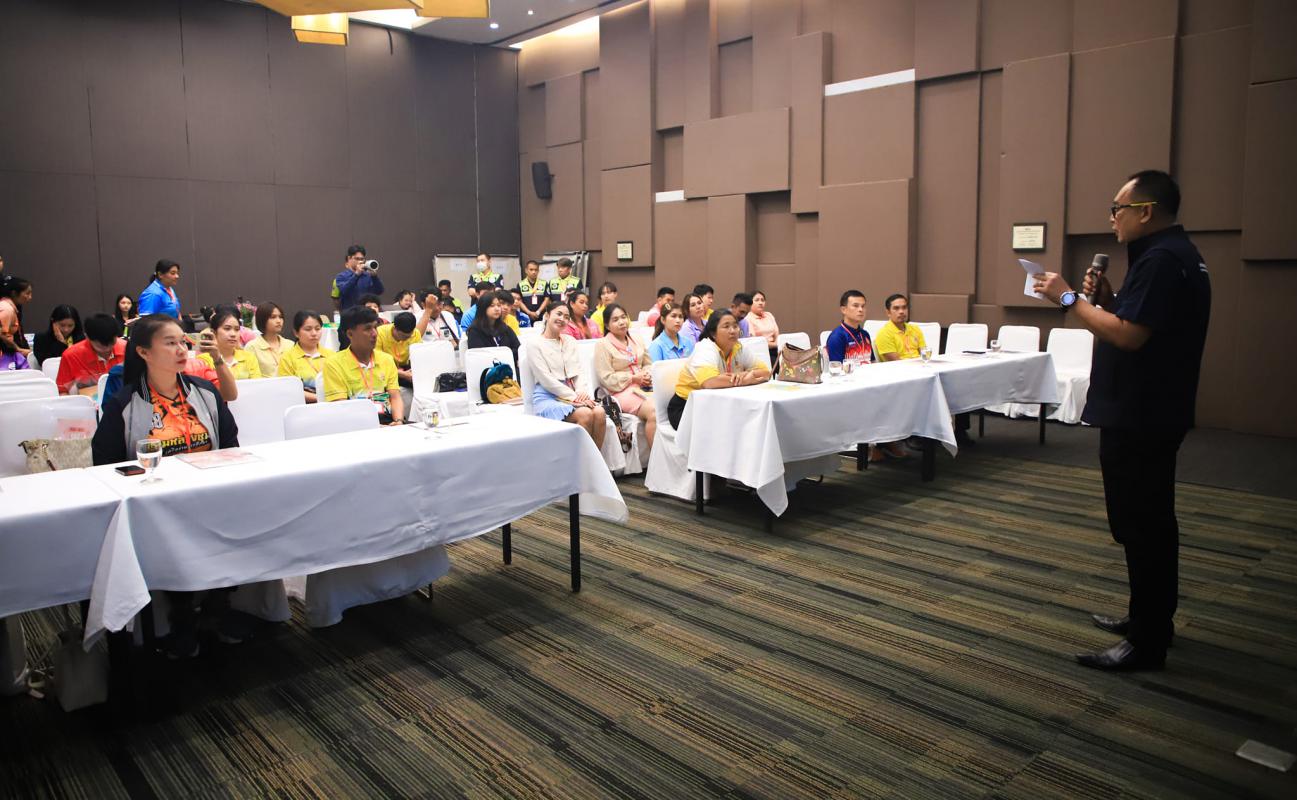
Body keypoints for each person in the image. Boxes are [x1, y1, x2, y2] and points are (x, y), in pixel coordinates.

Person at [1032, 170, 1210, 672]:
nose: (1112, 217)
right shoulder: (1173, 255)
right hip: (1150, 410)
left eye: (1118, 208)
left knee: (1143, 525)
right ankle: (1148, 619)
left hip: (1142, 414)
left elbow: (1130, 338)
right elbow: (1138, 324)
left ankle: (1147, 641)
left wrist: (1069, 299)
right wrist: (1108, 301)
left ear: (1146, 211)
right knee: (1148, 523)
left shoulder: (1161, 260)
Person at [92, 313, 245, 657]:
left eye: (182, 342)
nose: (181, 350)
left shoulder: (204, 393)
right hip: (155, 503)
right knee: (175, 533)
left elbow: (230, 444)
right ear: (143, 352)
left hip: (209, 493)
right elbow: (106, 463)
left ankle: (217, 606)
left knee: (244, 515)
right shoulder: (126, 403)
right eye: (170, 343)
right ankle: (183, 616)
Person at [667, 310, 770, 429]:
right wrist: (745, 380)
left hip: (718, 404)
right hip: (687, 407)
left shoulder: (739, 347)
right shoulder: (705, 348)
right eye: (726, 326)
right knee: (729, 427)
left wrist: (743, 374)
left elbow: (766, 373)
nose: (732, 331)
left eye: (735, 326)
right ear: (713, 333)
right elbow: (710, 382)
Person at [528, 303, 607, 446]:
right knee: (585, 414)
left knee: (600, 413)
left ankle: (594, 459)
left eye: (566, 317)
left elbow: (578, 371)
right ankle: (579, 459)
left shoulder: (570, 341)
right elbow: (545, 379)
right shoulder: (534, 343)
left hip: (572, 393)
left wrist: (581, 392)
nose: (562, 319)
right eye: (558, 314)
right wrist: (574, 397)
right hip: (548, 396)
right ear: (547, 315)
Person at [322, 305, 404, 424]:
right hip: (355, 425)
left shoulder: (386, 359)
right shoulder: (334, 364)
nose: (375, 333)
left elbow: (395, 397)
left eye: (375, 327)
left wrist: (399, 421)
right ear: (350, 334)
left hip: (388, 420)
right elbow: (341, 409)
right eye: (368, 329)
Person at [596, 304, 656, 450]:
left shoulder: (637, 338)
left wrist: (646, 374)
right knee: (654, 411)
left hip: (645, 385)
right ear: (607, 325)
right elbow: (606, 378)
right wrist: (633, 378)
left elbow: (648, 363)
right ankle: (657, 459)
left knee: (670, 404)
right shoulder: (602, 344)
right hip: (622, 391)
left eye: (624, 317)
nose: (622, 322)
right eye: (615, 319)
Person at [54, 313, 125, 395]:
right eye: (100, 346)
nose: (108, 349)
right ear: (87, 337)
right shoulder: (71, 356)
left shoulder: (126, 348)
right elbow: (62, 391)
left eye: (112, 343)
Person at [278, 310, 334, 403]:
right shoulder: (287, 358)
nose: (314, 333)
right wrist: (319, 398)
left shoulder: (331, 355)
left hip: (331, 404)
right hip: (303, 406)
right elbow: (288, 389)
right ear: (296, 333)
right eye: (308, 329)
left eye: (318, 329)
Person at [198, 305, 262, 380]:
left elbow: (257, 384)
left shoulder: (249, 358)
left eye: (237, 329)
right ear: (214, 332)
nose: (233, 334)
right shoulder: (203, 361)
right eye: (227, 329)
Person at [466, 290, 521, 365]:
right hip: (487, 369)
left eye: (498, 305)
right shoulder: (475, 331)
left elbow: (518, 348)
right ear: (483, 308)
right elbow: (479, 357)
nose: (497, 309)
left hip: (508, 367)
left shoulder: (505, 328)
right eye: (492, 306)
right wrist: (505, 354)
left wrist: (505, 355)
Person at [825, 290, 874, 367]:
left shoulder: (865, 334)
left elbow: (873, 362)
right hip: (849, 375)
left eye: (863, 306)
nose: (861, 309)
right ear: (843, 310)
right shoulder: (837, 337)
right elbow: (837, 369)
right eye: (855, 306)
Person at [873, 293, 926, 361]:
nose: (901, 311)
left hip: (920, 365)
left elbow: (924, 354)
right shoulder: (884, 333)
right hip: (900, 367)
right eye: (896, 308)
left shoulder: (915, 329)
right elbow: (896, 362)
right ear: (888, 312)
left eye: (904, 308)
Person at [332, 245, 383, 312]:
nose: (360, 261)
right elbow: (344, 291)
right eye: (357, 259)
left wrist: (374, 277)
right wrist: (357, 274)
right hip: (350, 313)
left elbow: (379, 291)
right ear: (349, 258)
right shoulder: (341, 276)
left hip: (366, 313)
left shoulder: (367, 275)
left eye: (362, 259)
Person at [244, 302, 288, 378]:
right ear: (262, 320)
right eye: (273, 317)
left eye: (280, 317)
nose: (278, 321)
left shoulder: (290, 345)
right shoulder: (252, 347)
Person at [0, 276, 32, 357]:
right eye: (27, 293)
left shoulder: (10, 307)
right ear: (14, 293)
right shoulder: (7, 309)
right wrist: (18, 349)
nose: (30, 297)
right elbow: (2, 335)